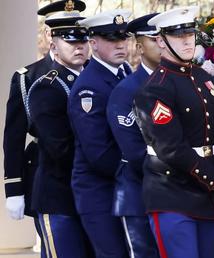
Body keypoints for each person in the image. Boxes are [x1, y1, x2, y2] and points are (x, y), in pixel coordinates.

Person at [134, 6, 214, 258]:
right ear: (161, 41)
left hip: (208, 195)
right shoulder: (154, 89)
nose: (187, 41)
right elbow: (170, 147)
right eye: (177, 36)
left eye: (190, 34)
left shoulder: (201, 76)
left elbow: (213, 131)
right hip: (172, 192)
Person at [3, 1, 84, 257]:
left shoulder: (96, 73)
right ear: (51, 37)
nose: (78, 45)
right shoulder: (29, 77)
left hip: (91, 180)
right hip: (48, 173)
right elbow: (13, 138)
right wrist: (13, 189)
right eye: (68, 37)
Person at [27, 2, 92, 256]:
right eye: (69, 41)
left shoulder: (98, 80)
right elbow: (60, 148)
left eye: (83, 40)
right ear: (52, 43)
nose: (79, 47)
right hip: (60, 197)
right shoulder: (46, 87)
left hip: (92, 196)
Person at [67, 9, 132, 258]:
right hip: (99, 192)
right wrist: (142, 169)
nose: (120, 45)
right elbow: (99, 152)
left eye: (122, 38)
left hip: (122, 186)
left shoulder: (125, 71)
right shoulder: (88, 87)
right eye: (111, 39)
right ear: (93, 43)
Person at [106, 13, 161, 258]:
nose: (163, 44)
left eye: (165, 37)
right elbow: (136, 153)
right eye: (154, 39)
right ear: (139, 46)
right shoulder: (126, 91)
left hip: (176, 198)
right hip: (139, 196)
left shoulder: (184, 83)